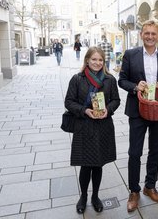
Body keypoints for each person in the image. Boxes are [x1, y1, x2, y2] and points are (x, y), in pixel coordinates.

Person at [118, 19, 158, 213]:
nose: (150, 37)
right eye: (147, 33)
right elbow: (122, 80)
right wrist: (135, 87)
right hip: (137, 110)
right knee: (135, 152)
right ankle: (134, 191)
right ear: (141, 35)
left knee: (155, 150)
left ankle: (150, 186)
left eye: (154, 33)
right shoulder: (131, 54)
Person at [64, 46, 120, 214]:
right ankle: (83, 196)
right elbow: (69, 101)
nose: (97, 62)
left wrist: (107, 110)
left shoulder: (110, 80)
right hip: (84, 126)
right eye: (94, 59)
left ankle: (95, 196)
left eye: (100, 60)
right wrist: (84, 110)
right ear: (87, 60)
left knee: (98, 164)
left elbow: (116, 100)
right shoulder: (77, 79)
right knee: (86, 165)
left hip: (103, 127)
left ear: (104, 62)